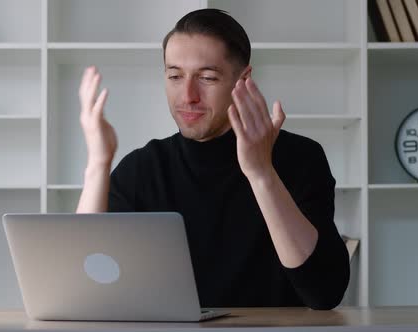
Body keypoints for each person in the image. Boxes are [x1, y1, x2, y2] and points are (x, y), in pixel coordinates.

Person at [76, 8, 349, 310]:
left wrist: (261, 173)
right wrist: (98, 164)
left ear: (243, 79)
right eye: (175, 76)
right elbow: (84, 289)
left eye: (207, 77)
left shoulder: (301, 158)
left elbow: (324, 293)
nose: (188, 95)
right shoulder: (142, 169)